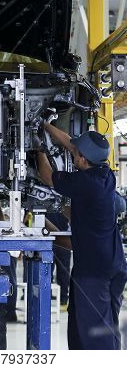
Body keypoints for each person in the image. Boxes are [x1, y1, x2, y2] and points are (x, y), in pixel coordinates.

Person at [36, 124, 127, 350]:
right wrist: (44, 125)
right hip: (111, 267)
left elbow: (47, 176)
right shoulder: (104, 175)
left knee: (95, 335)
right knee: (94, 329)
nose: (71, 152)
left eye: (76, 154)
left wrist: (37, 149)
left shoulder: (86, 182)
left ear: (84, 160)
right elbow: (70, 143)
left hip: (95, 274)